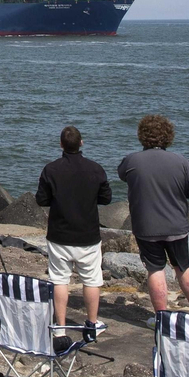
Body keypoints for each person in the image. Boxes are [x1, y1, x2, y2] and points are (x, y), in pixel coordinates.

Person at [118, 114, 189, 319]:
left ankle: (162, 318)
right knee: (184, 266)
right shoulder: (179, 161)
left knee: (155, 269)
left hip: (146, 227)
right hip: (176, 225)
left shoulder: (132, 160)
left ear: (142, 136)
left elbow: (122, 174)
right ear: (168, 136)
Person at [35, 125, 111, 349]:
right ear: (81, 143)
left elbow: (42, 199)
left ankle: (60, 326)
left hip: (60, 233)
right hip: (88, 234)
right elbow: (106, 198)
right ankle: (92, 323)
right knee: (91, 279)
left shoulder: (51, 169)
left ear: (61, 145)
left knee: (60, 279)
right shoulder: (95, 169)